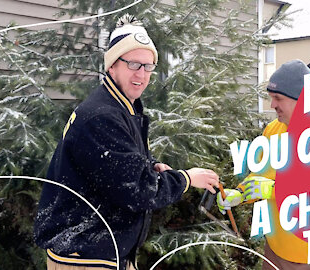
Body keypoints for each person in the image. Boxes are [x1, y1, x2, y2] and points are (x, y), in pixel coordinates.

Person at [34, 14, 219, 270]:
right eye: (133, 64)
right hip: (86, 257)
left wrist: (151, 166)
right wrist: (186, 179)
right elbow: (138, 191)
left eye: (148, 66)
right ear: (112, 65)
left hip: (106, 250)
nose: (142, 74)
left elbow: (119, 165)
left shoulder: (121, 107)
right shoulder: (102, 116)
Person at [217, 60, 310, 270]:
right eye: (271, 97)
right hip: (275, 248)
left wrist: (275, 190)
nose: (272, 105)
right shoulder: (273, 129)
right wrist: (239, 193)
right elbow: (260, 175)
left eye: (278, 98)